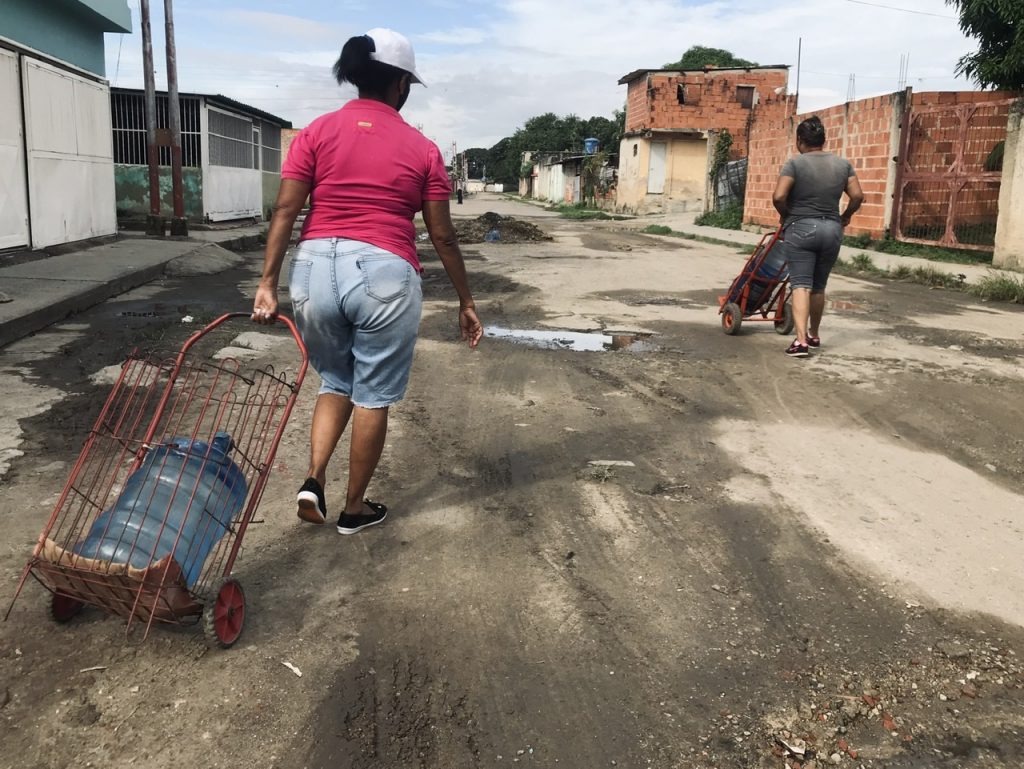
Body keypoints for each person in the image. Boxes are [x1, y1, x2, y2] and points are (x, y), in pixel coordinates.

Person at [252, 29, 483, 535]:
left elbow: (287, 208)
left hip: (313, 270)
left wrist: (267, 282)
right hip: (384, 271)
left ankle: (313, 480)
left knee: (335, 381)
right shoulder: (422, 149)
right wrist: (466, 300)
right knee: (372, 395)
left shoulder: (316, 133)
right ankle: (354, 509)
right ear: (401, 84)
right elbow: (442, 235)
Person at [772, 116, 864, 358]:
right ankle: (813, 334)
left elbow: (779, 196)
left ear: (800, 140)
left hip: (801, 228)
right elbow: (857, 196)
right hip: (832, 229)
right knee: (819, 286)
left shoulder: (795, 164)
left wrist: (787, 216)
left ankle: (800, 342)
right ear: (824, 140)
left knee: (801, 285)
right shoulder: (843, 165)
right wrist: (846, 216)